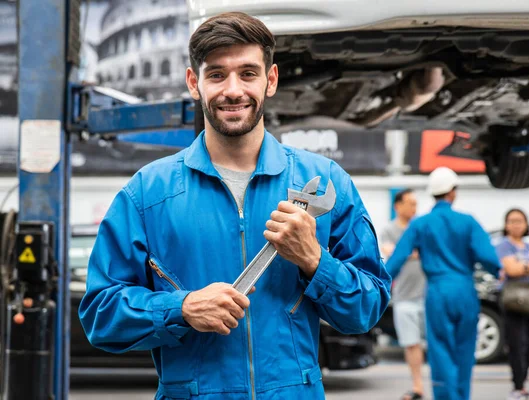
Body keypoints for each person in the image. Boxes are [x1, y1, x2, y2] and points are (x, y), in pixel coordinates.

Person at [78, 12, 391, 400]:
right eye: (216, 75)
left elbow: (367, 308)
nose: (232, 90)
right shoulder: (147, 193)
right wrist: (182, 308)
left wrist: (315, 261)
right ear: (194, 83)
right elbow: (100, 314)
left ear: (270, 80)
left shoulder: (327, 181)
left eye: (247, 73)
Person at [385, 167, 502, 400]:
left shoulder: (421, 224)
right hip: (465, 292)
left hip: (437, 292)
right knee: (465, 352)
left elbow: (397, 258)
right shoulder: (468, 222)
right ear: (452, 192)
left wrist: (381, 284)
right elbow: (490, 259)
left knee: (440, 351)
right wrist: (499, 272)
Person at [495, 209, 529, 400]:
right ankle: (517, 388)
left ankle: (523, 385)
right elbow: (511, 269)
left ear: (526, 224)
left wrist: (523, 266)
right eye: (512, 221)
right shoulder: (503, 246)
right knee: (517, 343)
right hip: (512, 300)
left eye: (519, 221)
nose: (516, 224)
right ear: (506, 224)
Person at [380, 189, 427, 400]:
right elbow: (393, 253)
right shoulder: (389, 230)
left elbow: (407, 253)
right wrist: (414, 253)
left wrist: (408, 253)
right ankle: (418, 386)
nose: (414, 208)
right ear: (397, 206)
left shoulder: (422, 228)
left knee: (435, 342)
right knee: (411, 343)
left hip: (428, 296)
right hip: (404, 296)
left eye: (416, 204)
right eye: (410, 203)